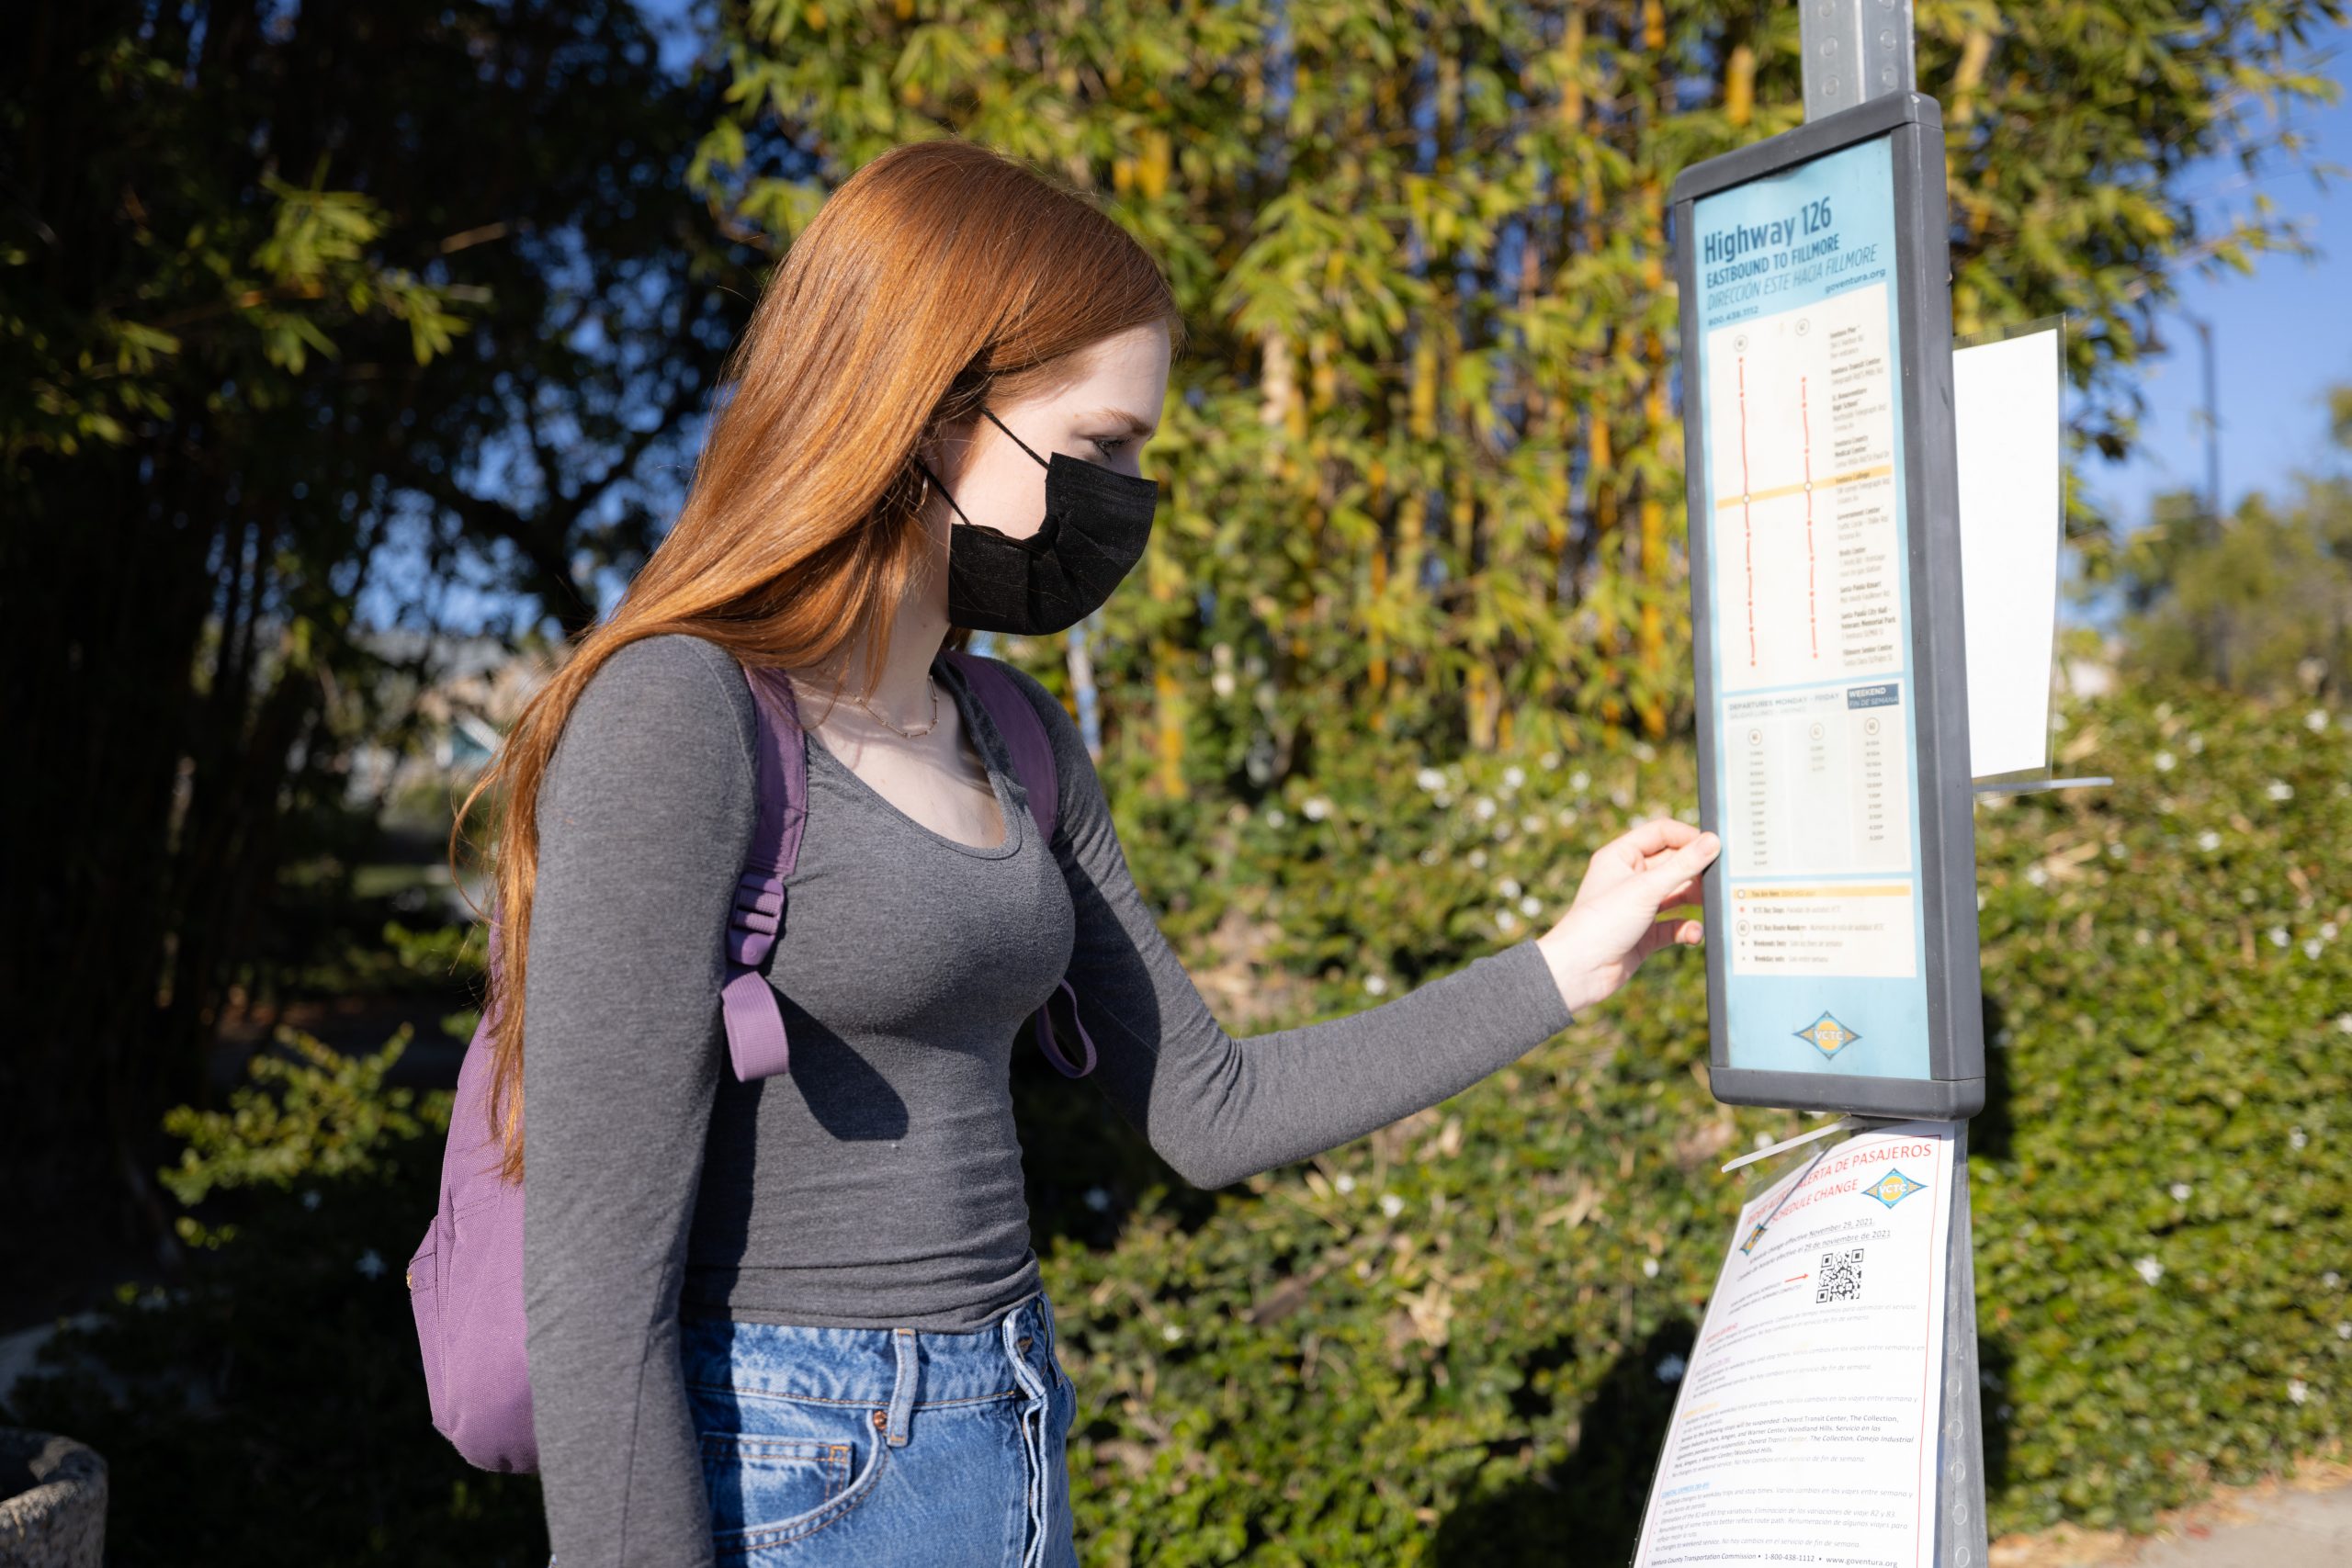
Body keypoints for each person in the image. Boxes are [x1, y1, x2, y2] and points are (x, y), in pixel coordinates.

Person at [464, 137, 1720, 1568]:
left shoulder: (1012, 731)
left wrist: (1568, 964)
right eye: (1099, 450)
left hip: (1008, 1427)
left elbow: (1212, 1106)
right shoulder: (680, 713)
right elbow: (595, 1276)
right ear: (928, 413)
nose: (1126, 500)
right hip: (789, 1468)